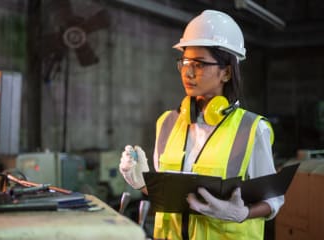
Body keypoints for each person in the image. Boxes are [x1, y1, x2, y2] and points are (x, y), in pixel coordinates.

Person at [119, 9, 284, 240]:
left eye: (199, 64)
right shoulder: (167, 123)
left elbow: (272, 200)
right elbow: (170, 196)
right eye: (185, 62)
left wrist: (242, 213)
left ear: (226, 72)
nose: (188, 72)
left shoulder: (252, 129)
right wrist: (141, 182)